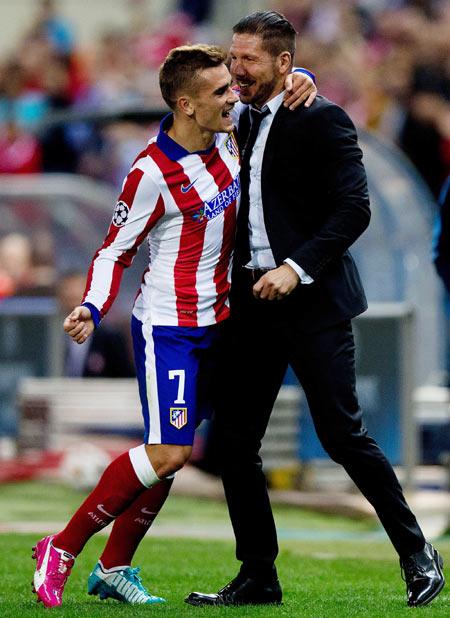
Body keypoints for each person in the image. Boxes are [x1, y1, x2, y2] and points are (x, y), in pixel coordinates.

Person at [31, 43, 317, 608]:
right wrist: (91, 304)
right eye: (219, 91)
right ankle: (60, 547)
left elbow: (277, 87)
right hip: (169, 328)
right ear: (186, 105)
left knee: (169, 451)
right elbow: (115, 250)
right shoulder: (149, 173)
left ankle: (113, 568)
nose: (232, 96)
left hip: (222, 323)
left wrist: (301, 75)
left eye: (232, 87)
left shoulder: (231, 137)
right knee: (167, 453)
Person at [185, 11, 445, 609]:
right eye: (233, 57)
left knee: (341, 434)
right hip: (251, 303)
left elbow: (354, 210)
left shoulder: (323, 119)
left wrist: (294, 267)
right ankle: (258, 575)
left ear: (281, 63)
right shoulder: (236, 117)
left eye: (248, 59)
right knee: (233, 443)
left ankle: (417, 553)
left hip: (313, 302)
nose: (236, 69)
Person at [57, 270, 134, 377]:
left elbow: (126, 379)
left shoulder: (111, 340)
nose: (72, 294)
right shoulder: (52, 340)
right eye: (68, 296)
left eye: (77, 296)